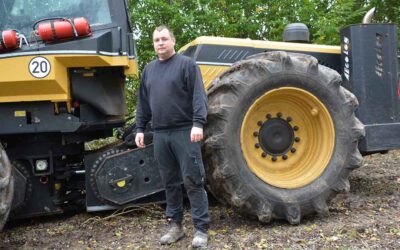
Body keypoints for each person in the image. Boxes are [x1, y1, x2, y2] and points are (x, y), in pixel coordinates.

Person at [135, 25, 209, 248]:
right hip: (160, 134)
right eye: (156, 39)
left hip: (185, 132)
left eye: (164, 39)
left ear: (173, 41)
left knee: (193, 180)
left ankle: (201, 229)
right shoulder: (149, 70)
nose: (160, 43)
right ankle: (175, 226)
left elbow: (199, 96)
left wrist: (198, 123)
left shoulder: (186, 65)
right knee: (169, 182)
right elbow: (143, 103)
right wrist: (140, 128)